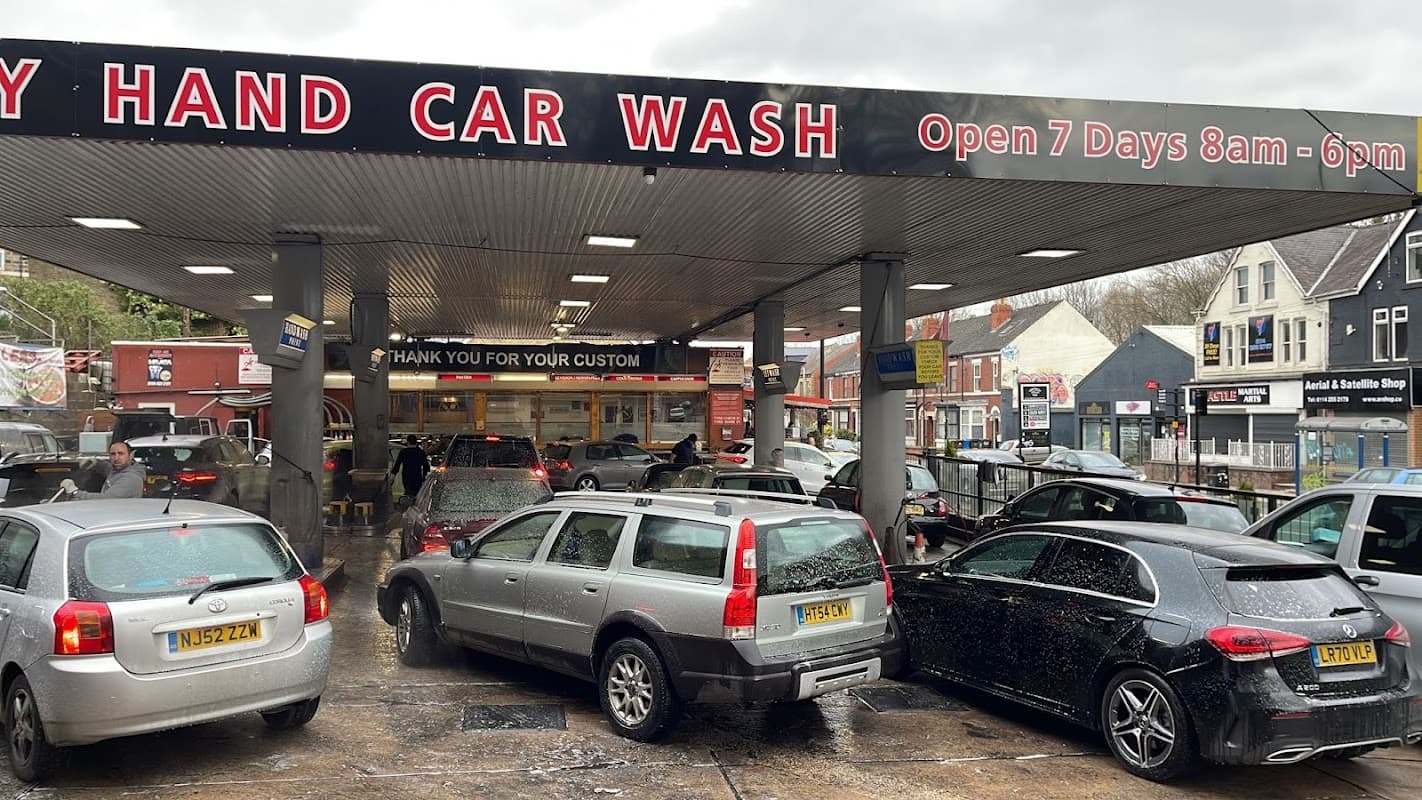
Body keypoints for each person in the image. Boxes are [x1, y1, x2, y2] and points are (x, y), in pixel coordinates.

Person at [60, 440, 143, 499]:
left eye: (121, 454)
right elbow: (107, 468)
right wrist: (96, 463)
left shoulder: (130, 478)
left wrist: (75, 493)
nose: (116, 458)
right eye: (113, 454)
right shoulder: (117, 470)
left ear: (131, 455)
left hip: (120, 518)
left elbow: (106, 499)